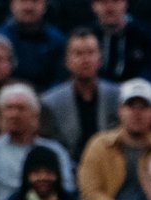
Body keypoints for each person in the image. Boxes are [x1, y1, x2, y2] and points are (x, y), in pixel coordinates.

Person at [0, 83, 74, 200]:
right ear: (1, 114)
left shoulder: (54, 150)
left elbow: (67, 187)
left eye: (21, 108)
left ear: (35, 115)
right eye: (9, 108)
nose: (14, 114)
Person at [40, 27, 121, 161]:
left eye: (91, 53)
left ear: (100, 59)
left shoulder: (117, 96)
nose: (85, 59)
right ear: (67, 61)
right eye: (78, 54)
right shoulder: (50, 103)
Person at [0, 0, 66, 94]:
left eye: (35, 1)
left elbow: (61, 80)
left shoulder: (58, 41)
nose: (28, 7)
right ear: (12, 5)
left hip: (47, 98)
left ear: (44, 5)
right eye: (23, 1)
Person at [90, 0, 151, 87]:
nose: (109, 7)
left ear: (125, 3)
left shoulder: (145, 37)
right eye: (103, 2)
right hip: (95, 90)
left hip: (135, 90)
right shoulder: (85, 38)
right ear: (94, 6)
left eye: (115, 1)